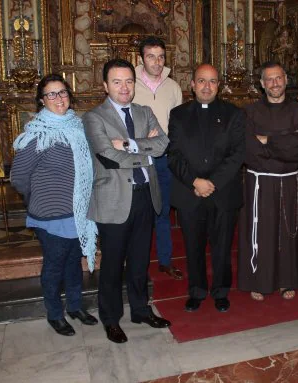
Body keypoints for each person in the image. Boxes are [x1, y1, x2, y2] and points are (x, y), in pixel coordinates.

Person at [83, 58, 171, 344]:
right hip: (114, 200)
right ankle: (111, 319)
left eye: (129, 81)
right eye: (117, 81)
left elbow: (163, 144)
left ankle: (141, 310)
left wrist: (130, 145)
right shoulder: (94, 117)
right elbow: (108, 156)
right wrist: (144, 149)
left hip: (145, 196)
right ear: (105, 85)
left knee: (139, 260)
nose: (124, 87)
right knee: (112, 264)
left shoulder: (144, 112)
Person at [11, 74, 99, 336]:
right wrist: (40, 198)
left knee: (74, 263)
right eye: (51, 94)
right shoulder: (37, 135)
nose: (58, 98)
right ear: (41, 100)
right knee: (55, 265)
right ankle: (54, 314)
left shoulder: (79, 127)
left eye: (62, 93)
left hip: (78, 211)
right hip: (50, 215)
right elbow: (18, 178)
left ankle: (75, 307)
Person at [168, 64, 245, 313]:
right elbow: (173, 154)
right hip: (190, 193)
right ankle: (197, 291)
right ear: (192, 84)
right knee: (193, 246)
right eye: (201, 81)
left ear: (218, 85)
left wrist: (212, 183)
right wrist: (195, 181)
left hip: (222, 193)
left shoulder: (233, 114)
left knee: (222, 247)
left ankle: (221, 291)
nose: (207, 86)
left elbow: (237, 154)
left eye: (212, 81)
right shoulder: (178, 115)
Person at [238, 62, 298, 301]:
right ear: (262, 84)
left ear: (286, 80)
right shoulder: (250, 112)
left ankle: (287, 280)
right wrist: (282, 144)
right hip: (259, 182)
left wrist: (267, 141)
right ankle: (259, 280)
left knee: (288, 232)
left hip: (288, 181)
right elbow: (249, 150)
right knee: (261, 232)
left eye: (278, 78)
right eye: (269, 79)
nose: (275, 83)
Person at [133, 36, 184, 280]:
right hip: (137, 158)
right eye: (151, 56)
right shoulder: (128, 84)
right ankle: (136, 265)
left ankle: (165, 261)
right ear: (141, 58)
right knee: (138, 213)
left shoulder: (173, 87)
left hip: (164, 158)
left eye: (161, 56)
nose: (157, 61)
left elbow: (178, 125)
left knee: (162, 210)